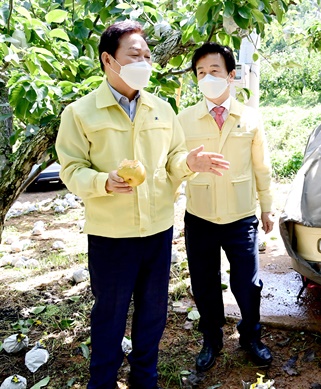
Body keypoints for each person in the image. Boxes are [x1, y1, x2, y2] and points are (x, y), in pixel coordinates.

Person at [56, 21, 229, 389]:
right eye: (135, 55)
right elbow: (71, 170)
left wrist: (189, 165)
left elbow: (174, 158)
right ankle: (101, 381)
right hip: (111, 234)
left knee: (152, 315)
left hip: (157, 229)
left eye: (148, 56)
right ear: (108, 60)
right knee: (110, 315)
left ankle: (143, 380)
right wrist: (102, 181)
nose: (144, 62)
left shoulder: (161, 109)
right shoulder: (81, 113)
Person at [178, 42, 274, 372]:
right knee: (204, 282)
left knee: (248, 283)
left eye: (214, 71)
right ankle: (212, 338)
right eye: (201, 73)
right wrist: (189, 164)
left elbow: (262, 166)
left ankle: (251, 336)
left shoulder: (250, 118)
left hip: (241, 215)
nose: (207, 78)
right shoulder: (184, 119)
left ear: (231, 76)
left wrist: (267, 207)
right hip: (200, 216)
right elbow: (173, 165)